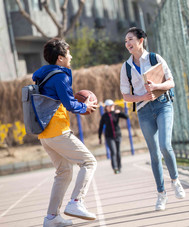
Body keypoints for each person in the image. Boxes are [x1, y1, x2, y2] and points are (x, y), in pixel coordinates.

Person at [32, 38, 98, 227]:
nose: (71, 56)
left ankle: (52, 217)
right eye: (68, 54)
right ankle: (76, 202)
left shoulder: (43, 76)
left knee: (64, 172)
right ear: (60, 58)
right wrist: (84, 105)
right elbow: (69, 103)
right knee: (89, 162)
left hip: (45, 135)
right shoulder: (60, 76)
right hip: (57, 131)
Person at [120, 27, 186, 211]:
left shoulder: (155, 58)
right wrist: (142, 97)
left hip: (163, 105)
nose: (128, 43)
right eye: (126, 41)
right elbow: (126, 95)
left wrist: (157, 85)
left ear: (141, 40)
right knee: (155, 154)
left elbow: (171, 82)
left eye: (131, 39)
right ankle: (161, 194)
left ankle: (175, 180)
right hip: (144, 111)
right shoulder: (126, 67)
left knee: (165, 145)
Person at [98, 99, 128, 174]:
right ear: (106, 107)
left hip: (118, 135)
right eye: (110, 106)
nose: (111, 107)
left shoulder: (116, 113)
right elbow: (101, 127)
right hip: (109, 137)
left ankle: (119, 167)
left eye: (112, 105)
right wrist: (99, 137)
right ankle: (115, 168)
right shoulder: (104, 116)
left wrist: (120, 112)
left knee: (118, 152)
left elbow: (126, 117)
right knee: (113, 152)